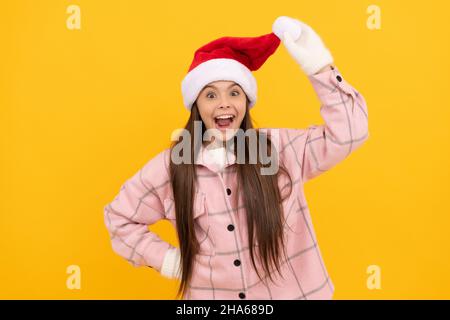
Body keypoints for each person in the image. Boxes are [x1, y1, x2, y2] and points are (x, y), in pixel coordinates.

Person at [103, 16, 369, 300]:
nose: (224, 103)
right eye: (210, 95)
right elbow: (119, 218)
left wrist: (319, 66)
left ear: (246, 101)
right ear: (197, 105)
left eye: (234, 92)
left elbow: (350, 132)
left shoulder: (279, 148)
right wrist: (169, 261)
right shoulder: (173, 167)